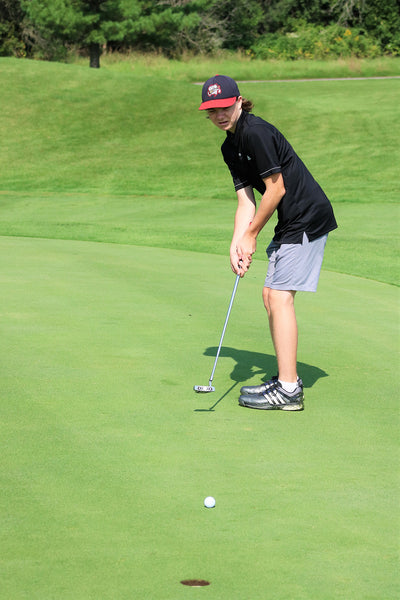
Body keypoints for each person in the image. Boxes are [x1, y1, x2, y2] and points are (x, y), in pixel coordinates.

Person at [199, 74, 337, 411]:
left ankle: (289, 390)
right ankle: (285, 376)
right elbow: (246, 201)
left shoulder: (256, 132)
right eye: (211, 110)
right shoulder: (229, 146)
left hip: (306, 215)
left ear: (238, 101)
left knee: (278, 296)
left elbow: (276, 189)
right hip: (290, 219)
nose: (219, 115)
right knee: (270, 295)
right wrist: (236, 243)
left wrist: (252, 234)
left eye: (224, 106)